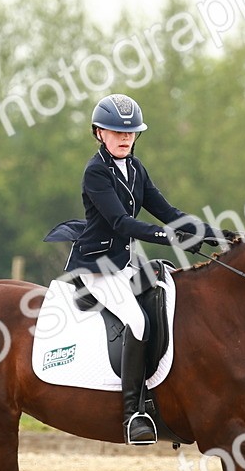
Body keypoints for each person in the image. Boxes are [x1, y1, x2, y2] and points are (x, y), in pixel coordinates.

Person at [49, 93, 234, 445]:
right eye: (116, 131)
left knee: (167, 299)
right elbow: (123, 224)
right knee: (137, 321)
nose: (124, 138)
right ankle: (134, 412)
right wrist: (176, 239)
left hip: (123, 266)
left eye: (130, 132)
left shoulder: (136, 169)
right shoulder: (96, 173)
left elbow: (167, 211)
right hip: (96, 268)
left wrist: (213, 234)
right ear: (99, 133)